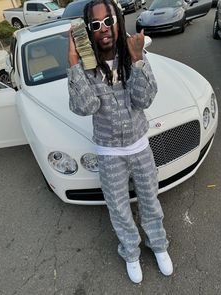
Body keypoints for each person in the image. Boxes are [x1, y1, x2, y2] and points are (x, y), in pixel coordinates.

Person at [67, 0, 173, 284]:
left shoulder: (131, 54)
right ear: (88, 31)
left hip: (139, 148)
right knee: (118, 207)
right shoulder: (88, 70)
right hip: (109, 153)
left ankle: (158, 245)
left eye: (108, 21)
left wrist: (138, 60)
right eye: (95, 24)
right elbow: (85, 106)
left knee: (150, 200)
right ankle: (130, 252)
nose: (104, 29)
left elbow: (143, 99)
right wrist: (74, 64)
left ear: (118, 21)